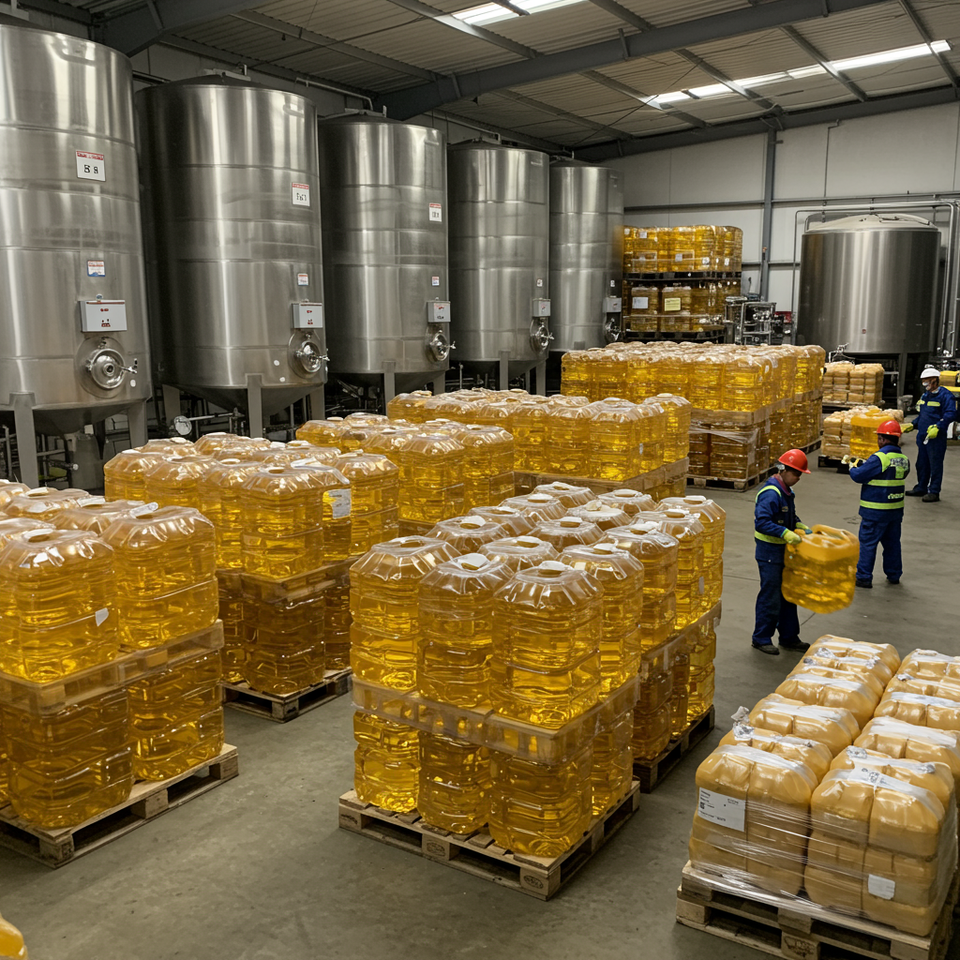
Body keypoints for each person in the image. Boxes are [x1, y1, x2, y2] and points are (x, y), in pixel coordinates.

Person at [752, 448, 812, 656]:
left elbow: (788, 516)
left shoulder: (786, 490)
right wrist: (785, 533)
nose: (798, 478)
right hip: (769, 553)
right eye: (795, 473)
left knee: (788, 595)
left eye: (800, 474)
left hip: (784, 552)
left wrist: (798, 525)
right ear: (783, 470)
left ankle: (789, 637)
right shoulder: (771, 493)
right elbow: (762, 523)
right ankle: (761, 638)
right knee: (771, 596)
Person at [847, 420, 910, 588]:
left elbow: (859, 476)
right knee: (892, 543)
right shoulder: (903, 459)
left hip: (875, 511)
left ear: (882, 439)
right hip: (895, 511)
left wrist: (852, 467)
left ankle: (863, 577)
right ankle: (894, 574)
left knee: (868, 543)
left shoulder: (880, 458)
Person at [903, 367, 956, 502]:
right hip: (923, 436)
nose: (924, 384)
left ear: (934, 380)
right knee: (922, 464)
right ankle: (921, 487)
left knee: (935, 465)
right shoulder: (925, 395)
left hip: (935, 437)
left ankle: (934, 491)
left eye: (927, 381)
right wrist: (913, 424)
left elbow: (950, 414)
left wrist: (939, 426)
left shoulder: (945, 395)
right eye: (923, 381)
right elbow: (923, 414)